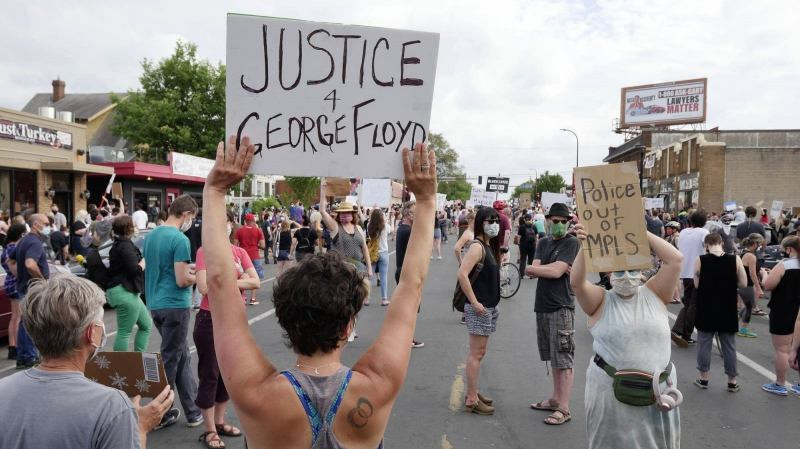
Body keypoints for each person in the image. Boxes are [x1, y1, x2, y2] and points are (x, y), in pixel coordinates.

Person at [200, 136, 435, 448]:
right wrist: (427, 201)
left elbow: (219, 283)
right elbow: (411, 284)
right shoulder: (378, 385)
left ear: (284, 320)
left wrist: (214, 192)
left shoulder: (255, 392)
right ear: (349, 325)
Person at [0, 275, 174, 449]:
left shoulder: (3, 389)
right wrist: (140, 428)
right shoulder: (111, 407)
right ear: (91, 333)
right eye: (100, 322)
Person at [570, 222, 683, 449]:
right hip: (610, 397)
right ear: (610, 274)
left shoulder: (656, 292)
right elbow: (577, 282)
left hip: (658, 395)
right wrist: (585, 246)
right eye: (620, 271)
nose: (626, 276)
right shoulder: (600, 301)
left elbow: (675, 260)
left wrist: (640, 232)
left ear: (641, 272)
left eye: (632, 270)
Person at [193, 212, 259, 449]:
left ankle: (220, 422)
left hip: (235, 321)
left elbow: (256, 282)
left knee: (228, 375)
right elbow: (202, 287)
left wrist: (224, 282)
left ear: (231, 226)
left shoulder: (239, 252)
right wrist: (238, 279)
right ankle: (209, 429)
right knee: (210, 374)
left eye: (226, 223)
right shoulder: (204, 252)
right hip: (211, 319)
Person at [142, 194, 202, 428]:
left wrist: (189, 271)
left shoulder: (151, 235)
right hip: (175, 304)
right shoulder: (179, 239)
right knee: (171, 359)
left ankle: (193, 411)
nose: (191, 223)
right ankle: (160, 412)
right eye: (192, 218)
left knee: (180, 356)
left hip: (156, 303)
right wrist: (198, 274)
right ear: (186, 215)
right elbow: (181, 279)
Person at [526, 202, 581, 425]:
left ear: (568, 222)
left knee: (564, 357)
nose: (557, 224)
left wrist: (544, 269)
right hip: (543, 305)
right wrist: (546, 270)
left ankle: (564, 408)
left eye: (562, 221)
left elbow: (553, 270)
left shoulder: (571, 242)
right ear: (547, 221)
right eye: (554, 221)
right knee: (553, 357)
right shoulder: (544, 242)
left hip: (562, 305)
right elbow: (534, 268)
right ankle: (556, 399)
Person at [459, 206, 502, 415]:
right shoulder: (477, 246)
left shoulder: (488, 245)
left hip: (489, 307)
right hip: (480, 307)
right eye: (489, 221)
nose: (494, 224)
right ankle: (471, 398)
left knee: (480, 352)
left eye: (496, 220)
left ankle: (473, 391)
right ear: (481, 223)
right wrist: (475, 302)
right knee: (476, 353)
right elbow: (462, 274)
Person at [693, 232, 747, 392]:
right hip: (727, 307)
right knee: (729, 345)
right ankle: (732, 381)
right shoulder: (735, 259)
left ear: (706, 245)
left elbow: (696, 284)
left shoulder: (700, 260)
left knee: (704, 343)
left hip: (706, 307)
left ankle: (703, 379)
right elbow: (743, 283)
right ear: (722, 243)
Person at [8, 213, 52, 368]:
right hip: (32, 288)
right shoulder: (34, 242)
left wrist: (19, 275)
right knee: (30, 322)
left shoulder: (23, 241)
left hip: (25, 287)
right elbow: (30, 264)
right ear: (35, 225)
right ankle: (28, 356)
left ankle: (25, 355)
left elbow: (10, 260)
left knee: (26, 322)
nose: (49, 226)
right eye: (46, 223)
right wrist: (41, 281)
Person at [761, 236, 800, 396]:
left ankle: (780, 384)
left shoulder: (784, 265)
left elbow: (768, 285)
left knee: (782, 350)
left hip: (783, 310)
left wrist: (764, 274)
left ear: (789, 249)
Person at [107, 215, 151, 352]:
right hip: (124, 291)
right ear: (129, 228)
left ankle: (138, 360)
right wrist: (144, 262)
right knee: (124, 332)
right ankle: (121, 368)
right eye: (133, 224)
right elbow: (134, 270)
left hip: (127, 291)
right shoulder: (125, 246)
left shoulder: (120, 244)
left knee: (146, 325)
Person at [671, 211, 709, 347]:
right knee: (694, 305)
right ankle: (683, 332)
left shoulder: (683, 232)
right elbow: (709, 247)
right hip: (698, 271)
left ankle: (680, 330)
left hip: (685, 271)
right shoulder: (703, 232)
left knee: (689, 303)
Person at [319, 189, 373, 280]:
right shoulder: (335, 227)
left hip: (359, 270)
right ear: (338, 215)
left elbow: (365, 249)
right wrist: (324, 189)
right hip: (341, 271)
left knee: (360, 293)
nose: (344, 215)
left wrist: (369, 268)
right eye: (342, 213)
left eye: (347, 212)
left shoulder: (358, 228)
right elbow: (322, 211)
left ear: (352, 214)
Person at [396, 200, 425, 348]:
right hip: (407, 272)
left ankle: (405, 337)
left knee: (408, 307)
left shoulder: (404, 228)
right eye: (415, 212)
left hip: (404, 271)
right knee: (411, 308)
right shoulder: (407, 231)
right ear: (408, 214)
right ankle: (407, 338)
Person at [1, 223, 26, 360]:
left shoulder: (6, 248)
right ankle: (16, 347)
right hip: (16, 283)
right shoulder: (14, 249)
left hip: (9, 283)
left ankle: (12, 347)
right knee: (18, 317)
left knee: (14, 317)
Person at [234, 213, 266, 305]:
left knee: (241, 276)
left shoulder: (239, 231)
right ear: (253, 221)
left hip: (242, 257)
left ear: (245, 221)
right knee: (254, 277)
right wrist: (255, 245)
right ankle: (253, 298)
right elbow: (263, 245)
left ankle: (240, 297)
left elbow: (235, 245)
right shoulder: (258, 231)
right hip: (254, 255)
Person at [737, 235, 763, 338]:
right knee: (749, 307)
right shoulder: (751, 256)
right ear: (754, 244)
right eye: (759, 244)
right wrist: (759, 288)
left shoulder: (742, 252)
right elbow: (752, 274)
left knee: (748, 306)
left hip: (740, 283)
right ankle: (743, 329)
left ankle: (733, 325)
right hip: (747, 284)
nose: (760, 246)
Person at [367, 209, 391, 306]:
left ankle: (366, 299)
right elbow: (392, 230)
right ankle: (384, 299)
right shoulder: (385, 226)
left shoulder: (370, 226)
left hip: (373, 253)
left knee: (370, 276)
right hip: (384, 253)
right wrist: (390, 219)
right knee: (383, 276)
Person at [517, 212, 538, 276]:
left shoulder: (522, 227)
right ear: (531, 219)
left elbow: (519, 236)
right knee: (531, 260)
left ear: (524, 219)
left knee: (523, 259)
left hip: (523, 245)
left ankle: (521, 274)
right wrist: (536, 244)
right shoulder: (534, 226)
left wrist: (518, 243)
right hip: (532, 245)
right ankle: (531, 274)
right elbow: (536, 236)